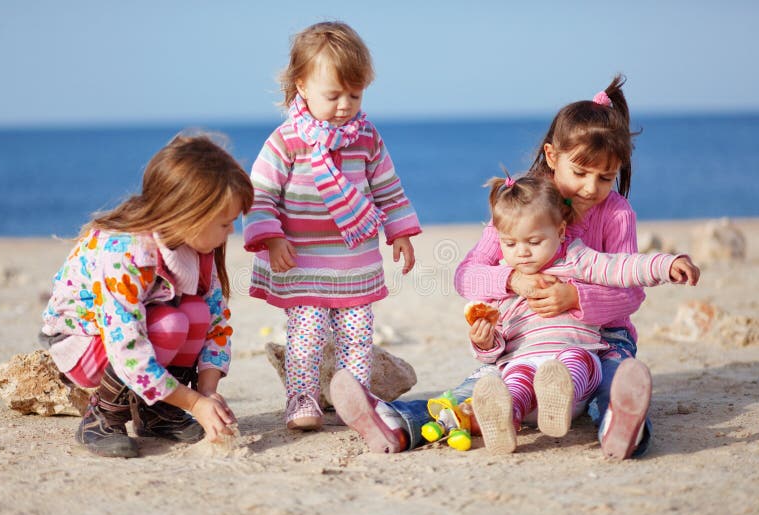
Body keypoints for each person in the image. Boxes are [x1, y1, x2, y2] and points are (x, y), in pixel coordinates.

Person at [331, 75, 671, 459]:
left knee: (609, 382)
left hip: (601, 339)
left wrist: (574, 296)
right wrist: (512, 279)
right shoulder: (523, 203)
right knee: (472, 393)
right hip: (525, 341)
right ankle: (395, 422)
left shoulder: (616, 214)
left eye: (605, 177)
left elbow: (630, 293)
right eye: (580, 172)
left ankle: (620, 427)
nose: (591, 188)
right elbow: (467, 275)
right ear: (553, 155)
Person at [243, 21, 421, 431]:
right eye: (333, 94)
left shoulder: (367, 138)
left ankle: (354, 398)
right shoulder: (286, 141)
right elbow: (260, 194)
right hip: (302, 259)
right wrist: (271, 238)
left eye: (354, 94)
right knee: (305, 336)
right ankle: (301, 398)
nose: (345, 105)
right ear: (302, 86)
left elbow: (388, 189)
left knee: (357, 337)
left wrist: (401, 232)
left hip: (354, 260)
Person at [39, 133, 253, 458]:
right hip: (85, 344)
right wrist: (193, 402)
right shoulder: (126, 252)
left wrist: (208, 391)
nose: (231, 233)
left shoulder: (197, 248)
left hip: (139, 334)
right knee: (171, 323)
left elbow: (217, 321)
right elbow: (127, 346)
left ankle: (156, 413)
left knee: (195, 313)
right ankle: (102, 417)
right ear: (188, 216)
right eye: (224, 223)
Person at [468, 174, 699, 454]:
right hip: (523, 362)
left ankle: (557, 396)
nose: (523, 253)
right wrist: (484, 342)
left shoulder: (576, 259)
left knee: (578, 360)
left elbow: (619, 267)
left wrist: (665, 265)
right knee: (514, 378)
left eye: (533, 241)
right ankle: (506, 417)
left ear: (561, 232)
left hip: (572, 379)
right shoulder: (504, 283)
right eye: (511, 244)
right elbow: (497, 345)